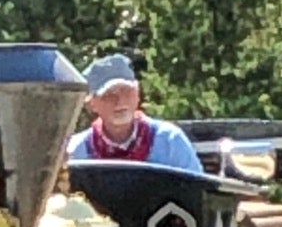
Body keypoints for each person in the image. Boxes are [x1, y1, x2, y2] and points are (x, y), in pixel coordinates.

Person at [68, 54, 204, 172]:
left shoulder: (170, 142)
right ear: (92, 104)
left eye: (126, 91)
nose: (120, 101)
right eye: (109, 95)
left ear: (137, 94)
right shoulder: (75, 152)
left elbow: (197, 194)